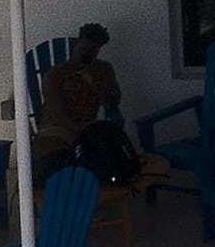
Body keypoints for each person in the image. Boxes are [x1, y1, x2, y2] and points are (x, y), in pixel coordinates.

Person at [43, 25, 142, 187]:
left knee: (110, 154)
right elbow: (55, 111)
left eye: (94, 49)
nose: (88, 52)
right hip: (57, 127)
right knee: (59, 157)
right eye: (85, 47)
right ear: (77, 43)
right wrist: (77, 131)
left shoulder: (103, 69)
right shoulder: (56, 74)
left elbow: (113, 102)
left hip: (89, 126)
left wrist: (98, 86)